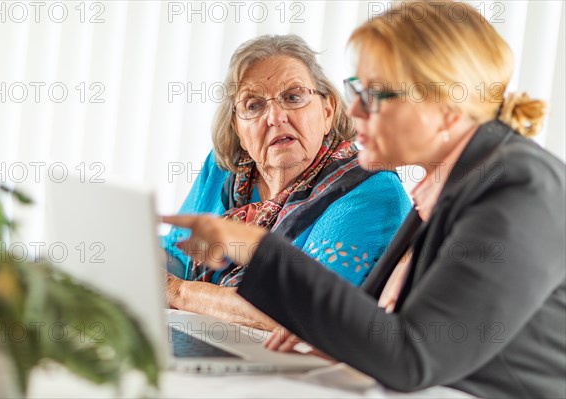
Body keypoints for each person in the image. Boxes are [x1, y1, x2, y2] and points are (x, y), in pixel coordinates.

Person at [162, 2, 566, 398]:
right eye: (356, 90)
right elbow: (376, 320)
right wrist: (326, 330)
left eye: (374, 94)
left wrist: (254, 246)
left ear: (445, 109)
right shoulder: (448, 184)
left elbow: (412, 358)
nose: (352, 111)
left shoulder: (520, 187)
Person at [162, 35, 411, 330]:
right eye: (253, 106)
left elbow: (302, 309)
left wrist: (178, 292)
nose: (275, 117)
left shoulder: (370, 190)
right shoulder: (221, 169)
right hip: (206, 338)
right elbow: (175, 253)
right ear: (237, 128)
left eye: (293, 97)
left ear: (328, 110)